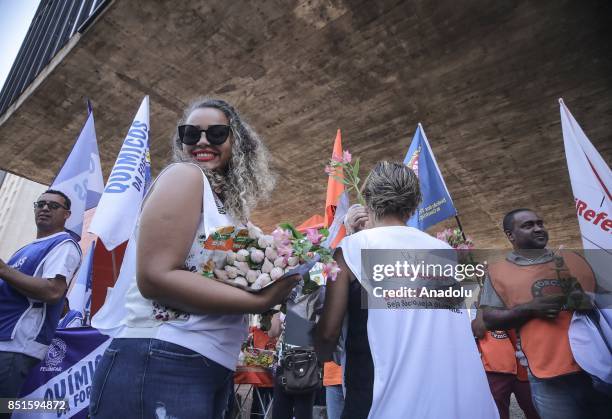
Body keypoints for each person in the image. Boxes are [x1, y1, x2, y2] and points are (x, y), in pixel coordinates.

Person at [89, 98, 299, 419]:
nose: (202, 141)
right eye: (191, 134)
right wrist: (259, 301)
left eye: (216, 133)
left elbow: (222, 280)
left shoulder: (229, 213)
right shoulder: (185, 176)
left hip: (204, 364)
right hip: (162, 358)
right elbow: (155, 277)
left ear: (236, 141)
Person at [315, 161, 498, 419]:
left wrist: (318, 348)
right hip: (448, 399)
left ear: (367, 200)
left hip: (377, 398)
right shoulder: (444, 253)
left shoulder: (350, 249)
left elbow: (328, 333)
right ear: (414, 204)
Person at [481, 208, 611, 419]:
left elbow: (605, 302)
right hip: (548, 376)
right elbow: (489, 320)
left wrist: (587, 300)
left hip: (596, 369)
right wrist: (532, 308)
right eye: (528, 225)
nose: (538, 228)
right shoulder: (497, 272)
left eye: (540, 223)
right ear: (510, 235)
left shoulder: (571, 258)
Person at [0, 190, 81, 401]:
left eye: (53, 206)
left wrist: (3, 270)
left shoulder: (64, 244)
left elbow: (54, 291)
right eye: (41, 204)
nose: (45, 208)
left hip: (16, 347)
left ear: (67, 215)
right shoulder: (25, 249)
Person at [471, 309, 540, 419]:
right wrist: (481, 306)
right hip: (495, 369)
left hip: (525, 367)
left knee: (534, 411)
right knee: (498, 414)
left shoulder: (515, 298)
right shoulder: (478, 306)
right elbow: (478, 331)